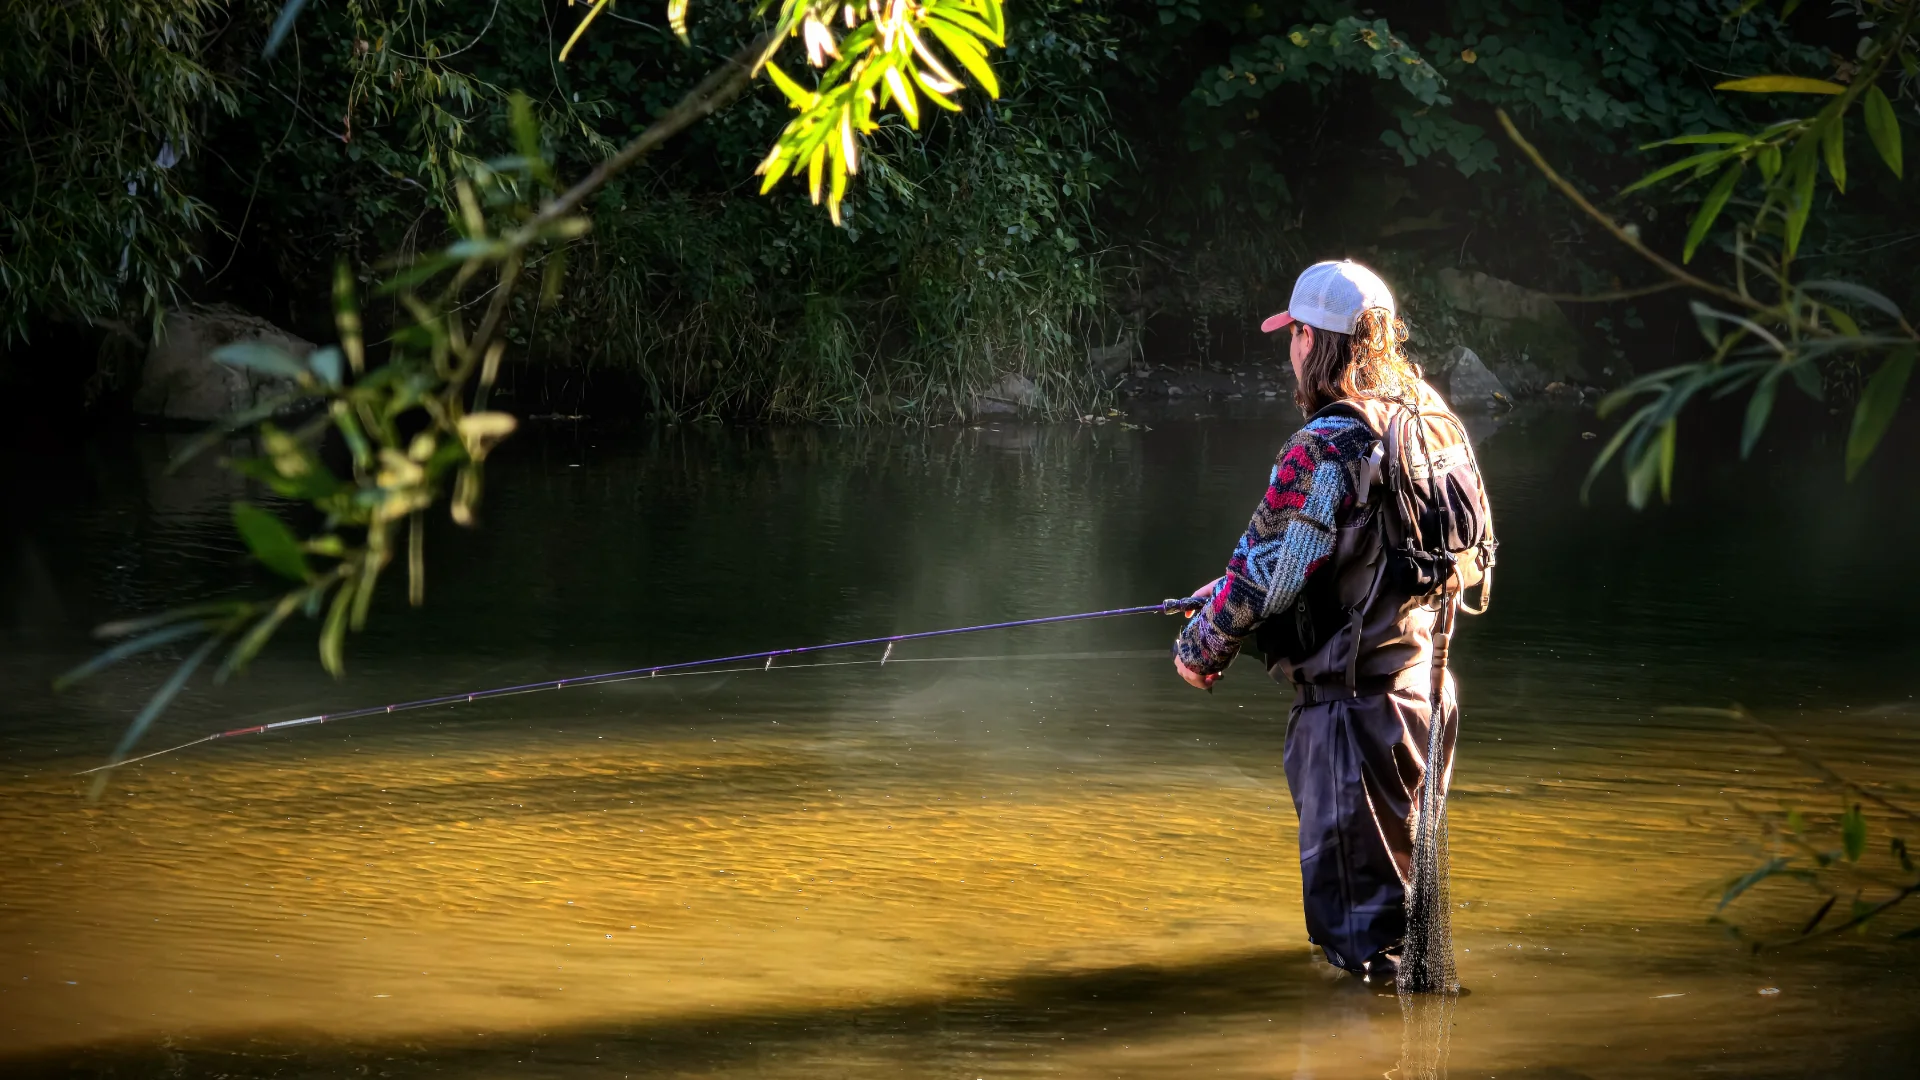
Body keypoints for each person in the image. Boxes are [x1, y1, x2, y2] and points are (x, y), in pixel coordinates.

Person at [1171, 259, 1495, 983]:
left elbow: (1270, 574)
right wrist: (1235, 587)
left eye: (1292, 336)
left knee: (1361, 946)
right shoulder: (1433, 420)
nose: (1288, 349)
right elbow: (1451, 555)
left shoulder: (1325, 445)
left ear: (1311, 339)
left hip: (1350, 719)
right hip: (1425, 698)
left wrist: (1202, 647)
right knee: (1399, 919)